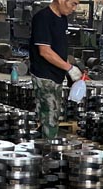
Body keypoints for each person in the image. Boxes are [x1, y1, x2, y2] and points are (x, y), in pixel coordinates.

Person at [30, 0, 82, 139]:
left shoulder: (62, 19)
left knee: (51, 115)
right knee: (50, 117)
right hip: (45, 76)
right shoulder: (43, 18)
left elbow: (59, 50)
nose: (74, 8)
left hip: (56, 75)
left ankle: (42, 143)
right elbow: (45, 51)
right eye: (73, 3)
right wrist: (69, 68)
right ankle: (48, 148)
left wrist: (69, 69)